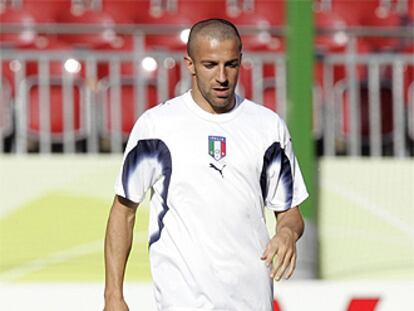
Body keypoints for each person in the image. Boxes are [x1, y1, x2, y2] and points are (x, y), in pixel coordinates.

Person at [104, 18, 308, 311]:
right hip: (182, 301)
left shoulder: (267, 127)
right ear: (190, 64)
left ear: (241, 61)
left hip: (252, 300)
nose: (222, 77)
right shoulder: (157, 126)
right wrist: (113, 295)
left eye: (231, 64)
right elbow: (123, 212)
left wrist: (287, 233)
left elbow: (289, 212)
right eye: (210, 65)